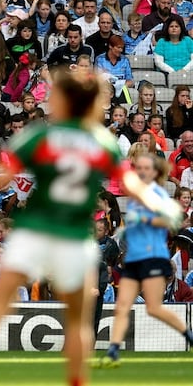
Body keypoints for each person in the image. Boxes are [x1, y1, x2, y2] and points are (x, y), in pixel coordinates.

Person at [0, 69, 185, 386]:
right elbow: (131, 185)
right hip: (73, 237)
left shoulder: (39, 135)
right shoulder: (100, 141)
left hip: (34, 231)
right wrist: (163, 204)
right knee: (79, 319)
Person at [98, 154, 193, 367]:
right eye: (138, 167)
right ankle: (113, 352)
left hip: (153, 258)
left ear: (153, 172)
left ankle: (188, 335)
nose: (141, 171)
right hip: (135, 258)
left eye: (145, 168)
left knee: (153, 308)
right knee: (122, 305)